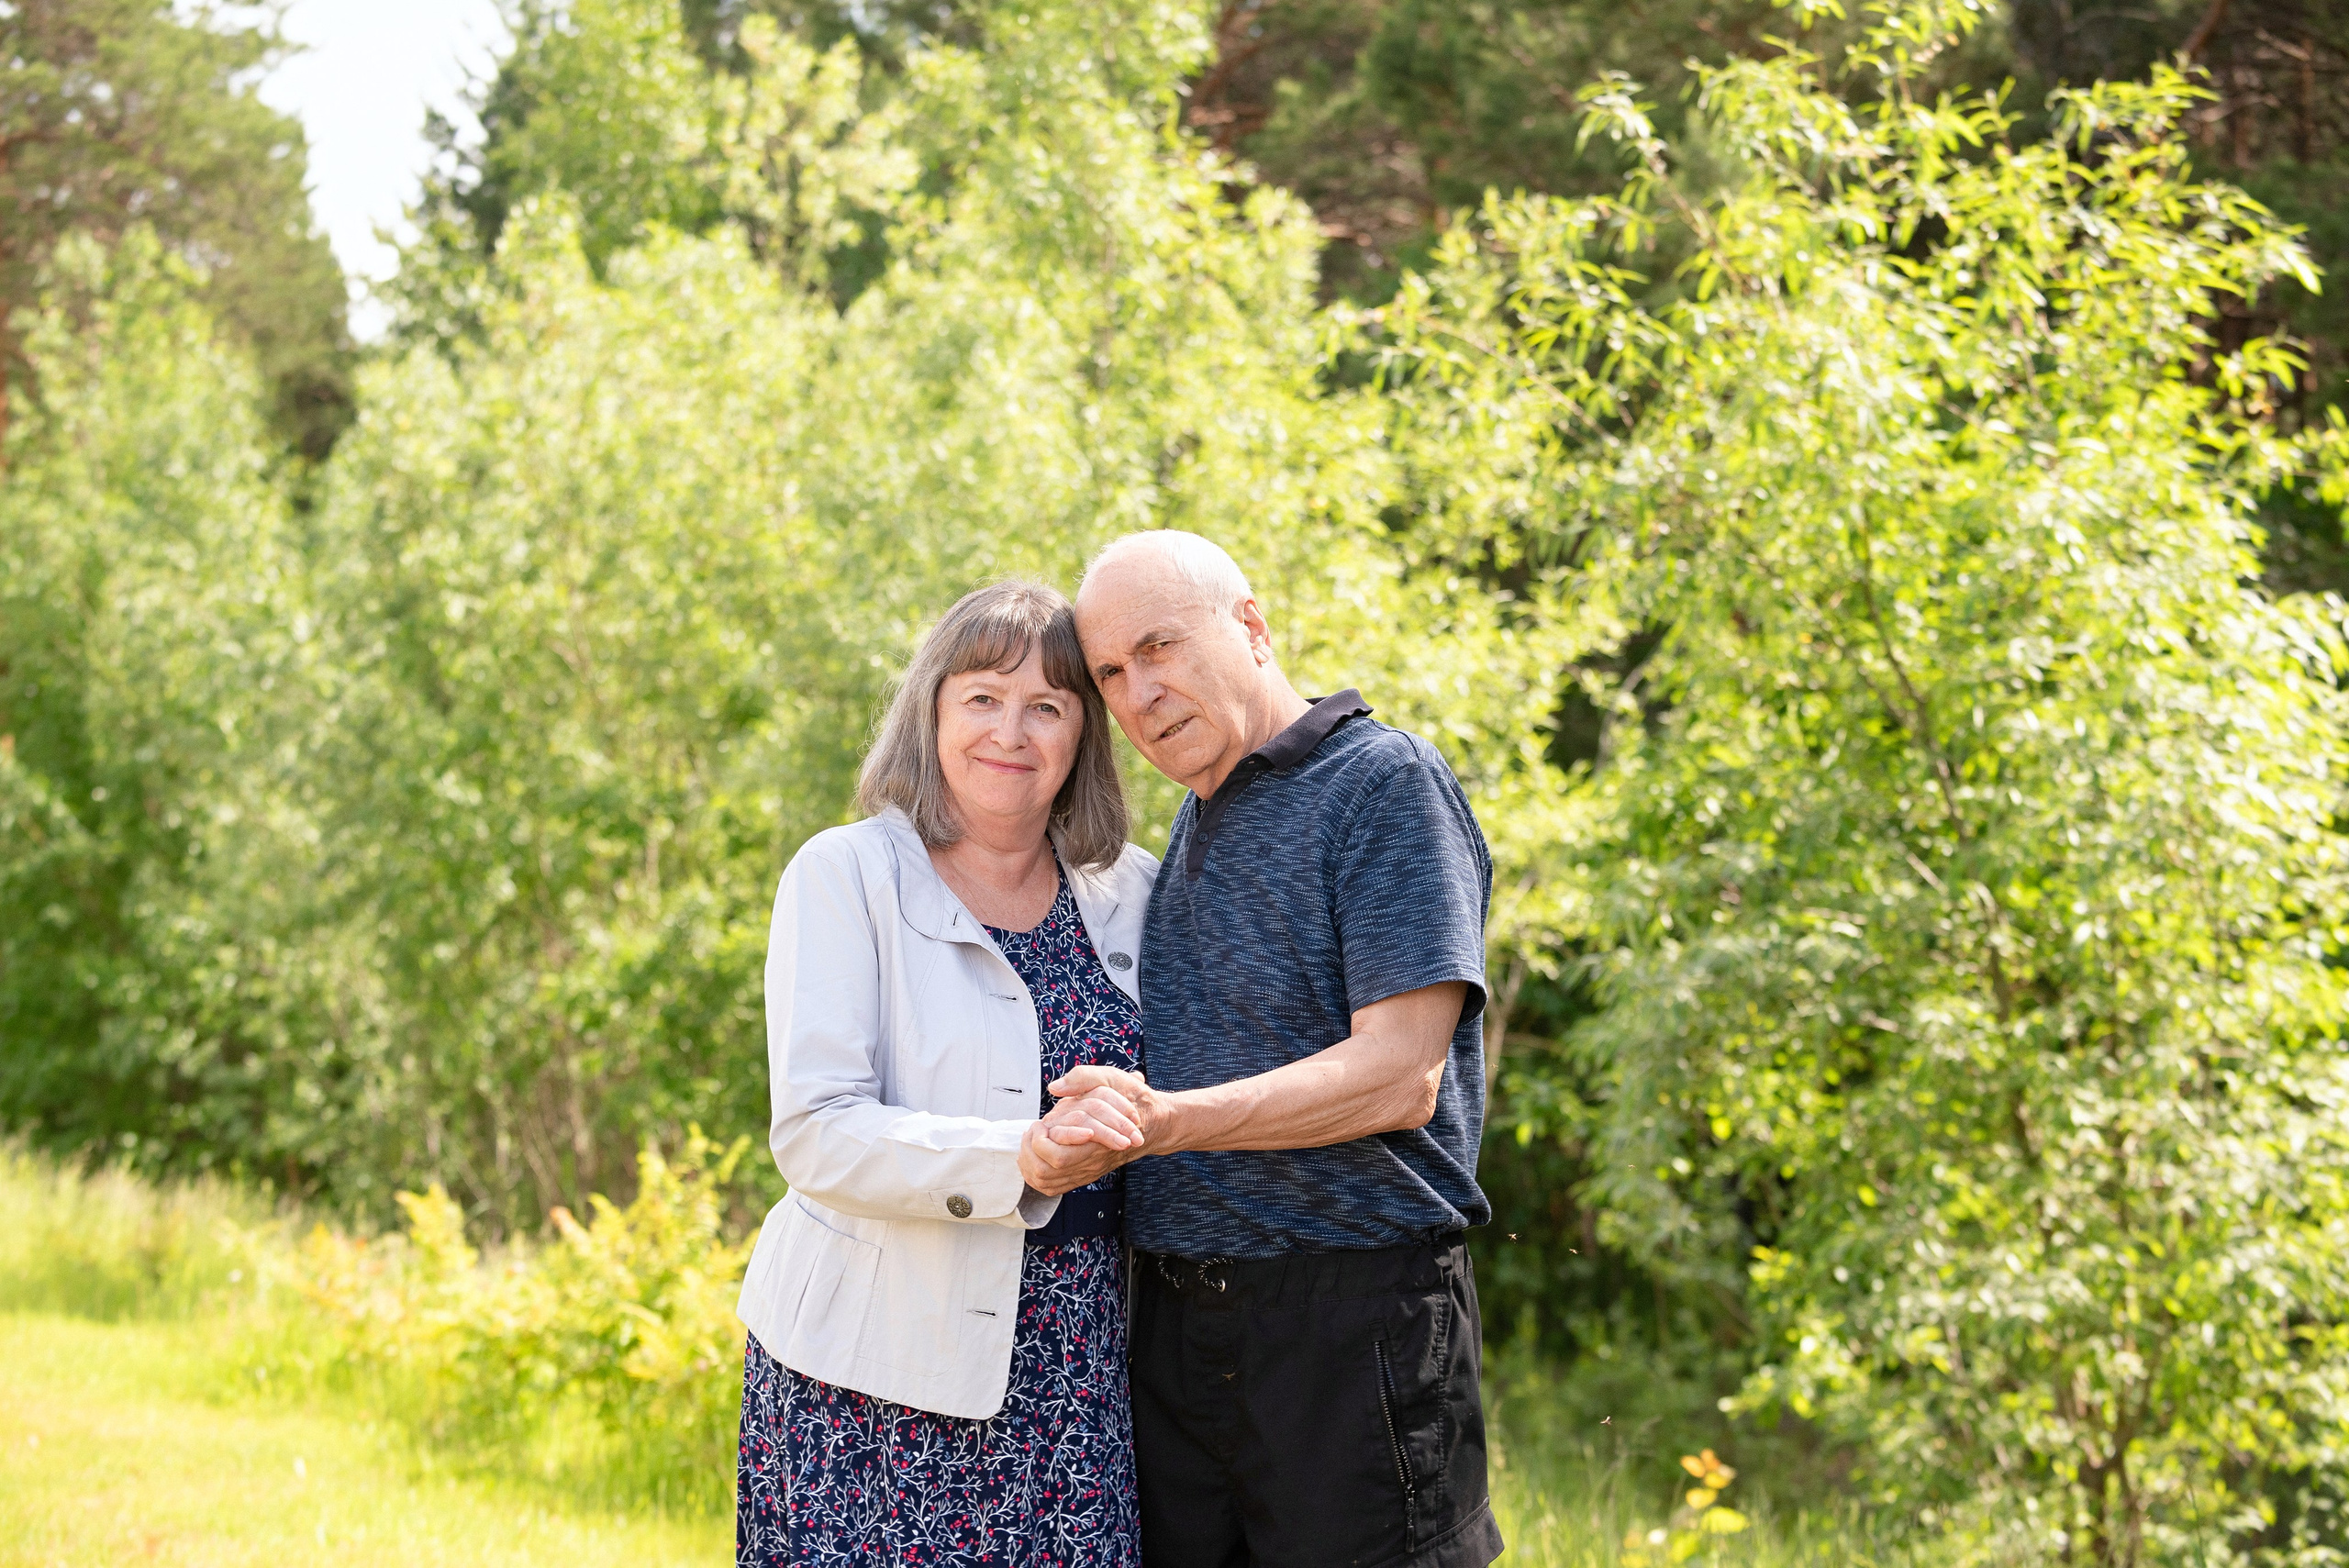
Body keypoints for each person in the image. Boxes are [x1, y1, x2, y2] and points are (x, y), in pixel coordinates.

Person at [1034, 529, 1504, 1568]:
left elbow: (1399, 1074)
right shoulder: (1190, 825)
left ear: (1250, 624)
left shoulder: (1380, 783)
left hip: (1349, 1322)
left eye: (1159, 647)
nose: (1139, 692)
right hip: (1177, 1333)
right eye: (1112, 672)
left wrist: (1163, 1122)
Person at [734, 580, 1162, 1568]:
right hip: (871, 1370)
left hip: (1077, 1367)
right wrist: (1018, 1157)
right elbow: (815, 1129)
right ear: (931, 710)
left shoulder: (1132, 889)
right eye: (981, 696)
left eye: (1046, 705)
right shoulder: (846, 873)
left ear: (1081, 737)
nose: (1011, 729)